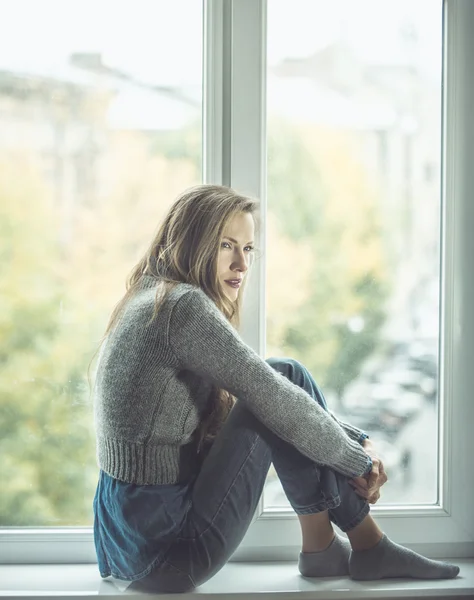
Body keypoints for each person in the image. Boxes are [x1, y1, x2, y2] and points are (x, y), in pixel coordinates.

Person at [92, 184, 459, 593]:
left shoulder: (148, 296)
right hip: (168, 554)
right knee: (277, 384)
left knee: (282, 375)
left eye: (248, 249)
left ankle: (325, 548)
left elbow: (268, 390)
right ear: (193, 242)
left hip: (123, 544)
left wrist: (356, 440)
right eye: (226, 245)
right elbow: (270, 394)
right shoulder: (182, 307)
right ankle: (364, 545)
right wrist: (358, 461)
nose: (241, 264)